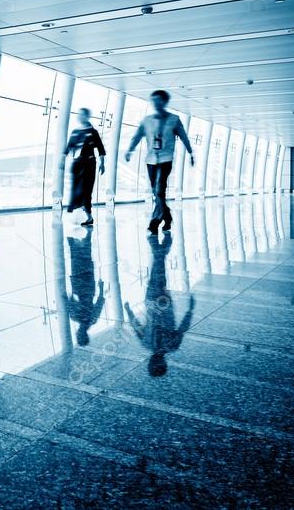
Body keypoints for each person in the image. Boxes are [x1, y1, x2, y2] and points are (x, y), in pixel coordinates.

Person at [124, 232, 195, 377]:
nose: (152, 362)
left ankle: (162, 245)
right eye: (155, 365)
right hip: (160, 303)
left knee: (158, 273)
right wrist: (190, 311)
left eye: (151, 365)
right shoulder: (170, 345)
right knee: (158, 273)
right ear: (163, 364)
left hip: (154, 301)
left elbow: (136, 326)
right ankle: (157, 244)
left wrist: (129, 312)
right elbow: (182, 328)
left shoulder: (150, 344)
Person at [124, 90, 194, 234]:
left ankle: (154, 222)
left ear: (165, 102)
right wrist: (130, 150)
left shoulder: (174, 119)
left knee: (159, 190)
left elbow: (183, 137)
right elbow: (137, 136)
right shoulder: (146, 120)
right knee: (157, 193)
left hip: (165, 159)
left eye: (158, 100)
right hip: (150, 160)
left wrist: (191, 152)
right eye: (153, 100)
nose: (155, 103)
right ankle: (167, 216)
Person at [61, 108, 105, 226]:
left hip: (89, 164)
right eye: (79, 114)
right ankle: (78, 211)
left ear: (87, 117)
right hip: (77, 164)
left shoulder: (93, 132)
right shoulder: (75, 131)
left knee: (86, 190)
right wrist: (62, 160)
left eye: (82, 114)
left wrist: (102, 163)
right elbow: (69, 147)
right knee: (76, 189)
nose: (79, 116)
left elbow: (100, 148)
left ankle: (88, 216)